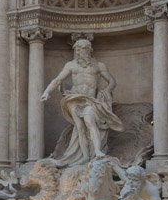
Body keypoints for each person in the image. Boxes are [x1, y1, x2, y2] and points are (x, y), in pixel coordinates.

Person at [40, 38, 123, 166]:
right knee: (79, 128)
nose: (80, 52)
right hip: (74, 99)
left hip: (90, 100)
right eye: (78, 50)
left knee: (90, 121)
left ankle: (97, 152)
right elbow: (57, 80)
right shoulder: (71, 65)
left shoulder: (99, 65)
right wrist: (47, 92)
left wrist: (106, 91)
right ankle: (85, 156)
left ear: (89, 49)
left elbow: (112, 81)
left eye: (83, 49)